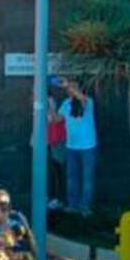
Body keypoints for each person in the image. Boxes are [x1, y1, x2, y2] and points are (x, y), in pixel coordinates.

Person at [52, 79, 97, 214]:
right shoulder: (66, 104)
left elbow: (80, 98)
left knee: (87, 178)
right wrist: (48, 106)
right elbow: (56, 119)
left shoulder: (88, 101)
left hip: (88, 147)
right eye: (69, 88)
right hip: (71, 146)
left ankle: (85, 207)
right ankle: (73, 205)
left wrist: (68, 86)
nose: (70, 90)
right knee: (72, 178)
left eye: (74, 87)